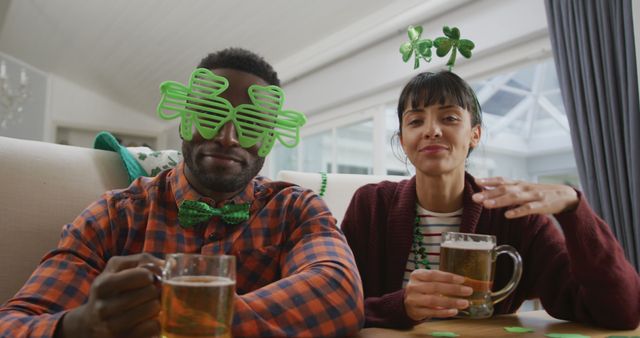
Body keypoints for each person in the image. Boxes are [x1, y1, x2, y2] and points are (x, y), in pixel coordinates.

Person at [0, 48, 364, 337]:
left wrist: (184, 311)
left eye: (251, 124)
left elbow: (339, 293)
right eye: (210, 115)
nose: (227, 137)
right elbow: (13, 323)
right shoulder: (116, 215)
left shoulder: (295, 209)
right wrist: (80, 326)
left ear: (270, 138)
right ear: (184, 117)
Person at [341, 71, 640, 330]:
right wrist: (400, 306)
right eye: (416, 121)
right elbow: (335, 309)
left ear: (475, 134)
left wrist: (574, 209)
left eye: (449, 118)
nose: (432, 130)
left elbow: (621, 312)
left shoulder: (514, 215)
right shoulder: (371, 205)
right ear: (403, 140)